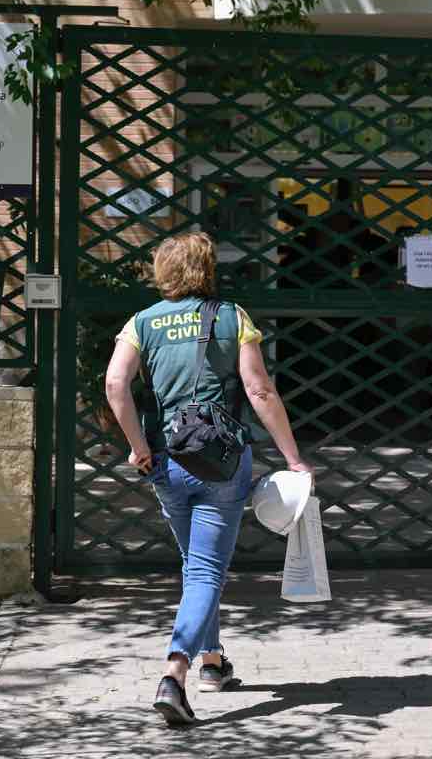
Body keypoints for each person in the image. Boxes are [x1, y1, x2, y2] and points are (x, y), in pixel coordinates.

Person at [105, 232, 312, 726]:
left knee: (195, 564)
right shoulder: (231, 316)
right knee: (204, 570)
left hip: (167, 461)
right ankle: (174, 674)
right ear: (206, 269)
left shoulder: (142, 322)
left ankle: (213, 663)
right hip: (221, 461)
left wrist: (137, 447)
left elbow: (116, 384)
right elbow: (259, 390)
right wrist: (293, 457)